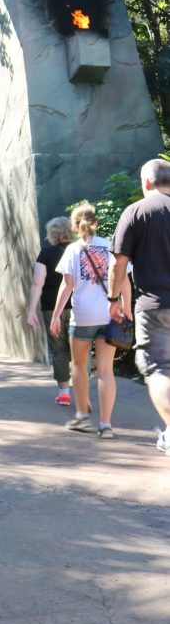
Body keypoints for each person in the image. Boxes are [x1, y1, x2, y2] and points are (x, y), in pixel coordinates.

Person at [50, 203, 131, 438]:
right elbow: (124, 279)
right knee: (106, 369)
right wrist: (126, 308)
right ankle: (106, 425)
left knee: (78, 365)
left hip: (83, 315)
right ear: (96, 222)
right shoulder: (110, 246)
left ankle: (82, 416)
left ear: (75, 227)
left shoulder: (73, 250)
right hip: (109, 314)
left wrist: (56, 315)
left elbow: (67, 285)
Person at [108, 159, 170, 457]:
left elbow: (119, 264)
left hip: (154, 306)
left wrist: (114, 299)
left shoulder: (136, 212)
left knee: (157, 368)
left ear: (146, 183)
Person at [26, 216, 73, 406]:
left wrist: (31, 310)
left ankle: (64, 394)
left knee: (59, 349)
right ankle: (83, 391)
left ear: (52, 234)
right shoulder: (78, 251)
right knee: (81, 349)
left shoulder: (46, 254)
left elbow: (38, 283)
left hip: (52, 308)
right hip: (79, 306)